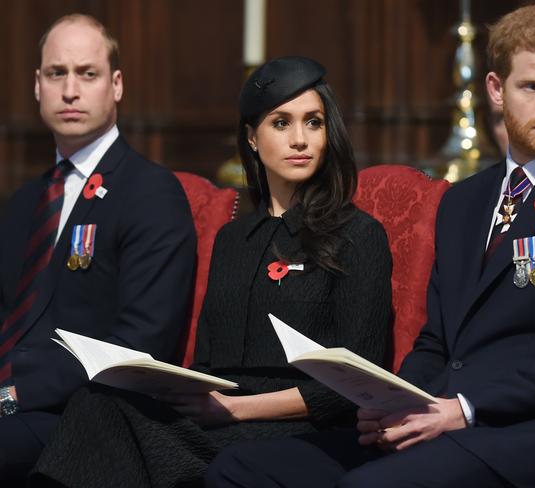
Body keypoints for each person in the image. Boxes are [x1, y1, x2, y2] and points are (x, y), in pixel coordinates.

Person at [205, 6, 535, 488]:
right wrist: (395, 403)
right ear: (497, 90)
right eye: (530, 87)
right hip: (439, 419)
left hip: (532, 440)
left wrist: (463, 409)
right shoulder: (465, 201)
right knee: (242, 468)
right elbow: (438, 340)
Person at [30, 56, 393, 487]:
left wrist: (237, 408)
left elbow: (358, 382)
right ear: (252, 139)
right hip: (218, 419)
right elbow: (207, 362)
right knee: (99, 400)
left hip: (302, 427)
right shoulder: (232, 240)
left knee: (129, 444)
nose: (300, 139)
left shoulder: (359, 234)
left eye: (313, 123)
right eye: (281, 123)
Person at [0, 13, 197, 483]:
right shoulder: (23, 201)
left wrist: (11, 394)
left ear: (117, 85)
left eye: (87, 73)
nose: (70, 90)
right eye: (56, 73)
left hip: (80, 416)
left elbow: (138, 345)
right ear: (37, 85)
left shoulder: (150, 192)